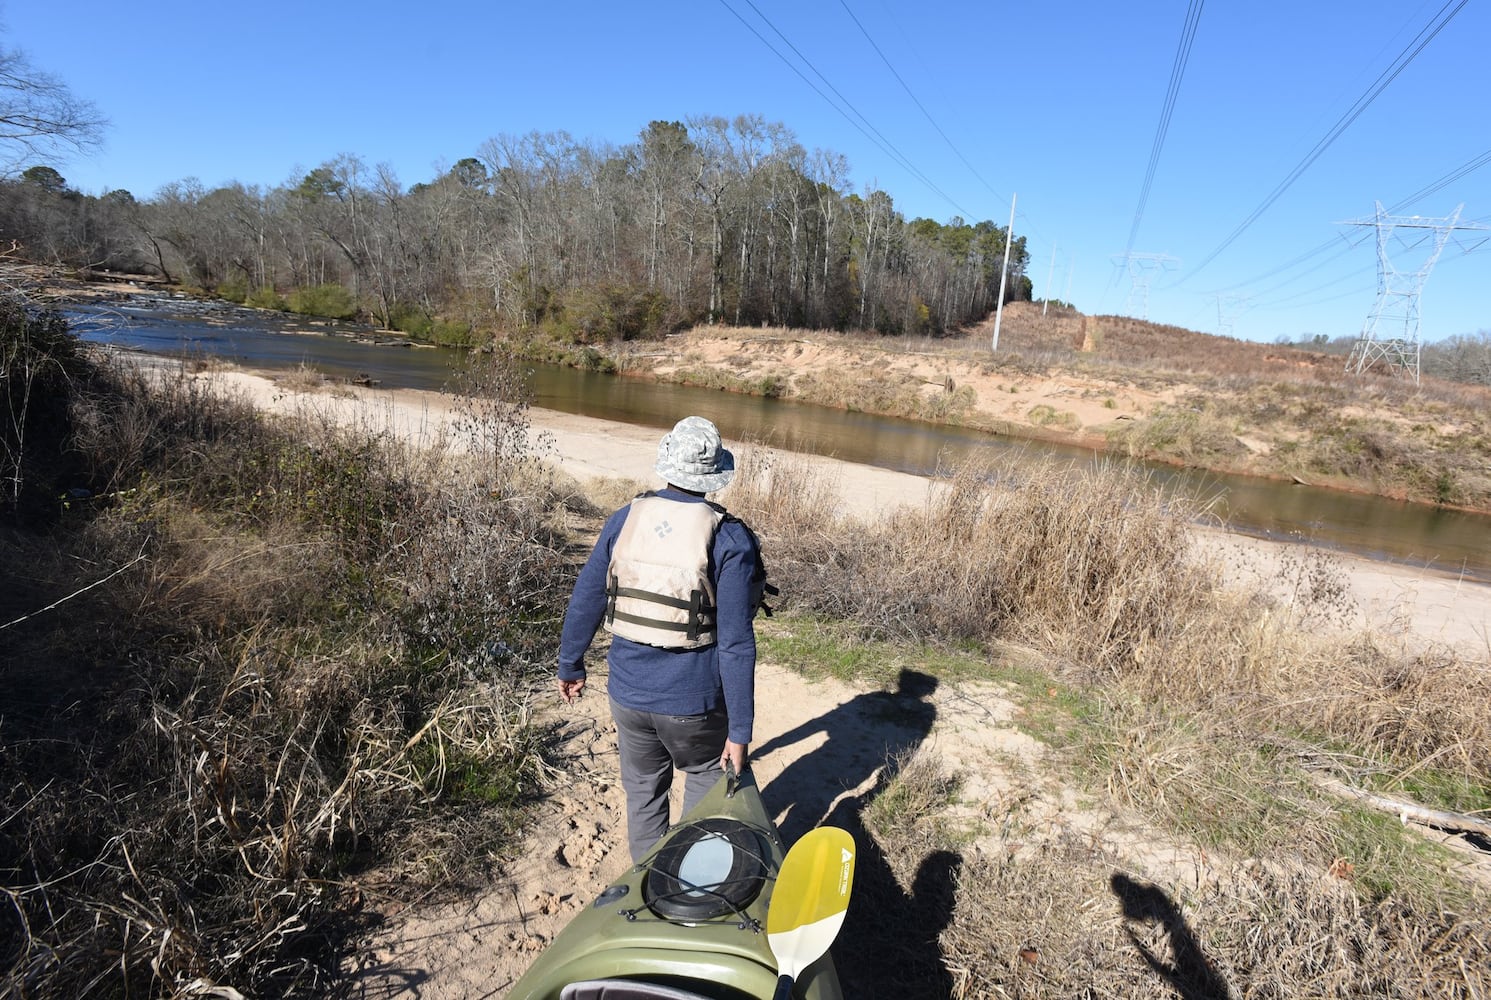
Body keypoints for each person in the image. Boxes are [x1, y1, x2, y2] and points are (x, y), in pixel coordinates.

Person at [557, 415, 768, 862]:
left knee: (644, 795)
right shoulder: (729, 537)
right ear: (714, 476)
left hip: (628, 695)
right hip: (694, 704)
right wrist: (741, 731)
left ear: (668, 465)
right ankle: (686, 886)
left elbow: (588, 596)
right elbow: (734, 644)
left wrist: (570, 664)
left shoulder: (624, 518)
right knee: (706, 786)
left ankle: (647, 886)